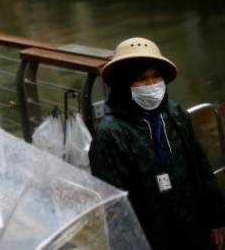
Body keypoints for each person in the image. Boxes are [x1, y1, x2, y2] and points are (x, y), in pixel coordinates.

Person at [89, 37, 225, 249]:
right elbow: (114, 205)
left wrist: (216, 218)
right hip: (151, 239)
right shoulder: (111, 133)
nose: (151, 85)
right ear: (125, 84)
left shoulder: (175, 114)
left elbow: (199, 167)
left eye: (156, 76)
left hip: (194, 230)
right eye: (141, 79)